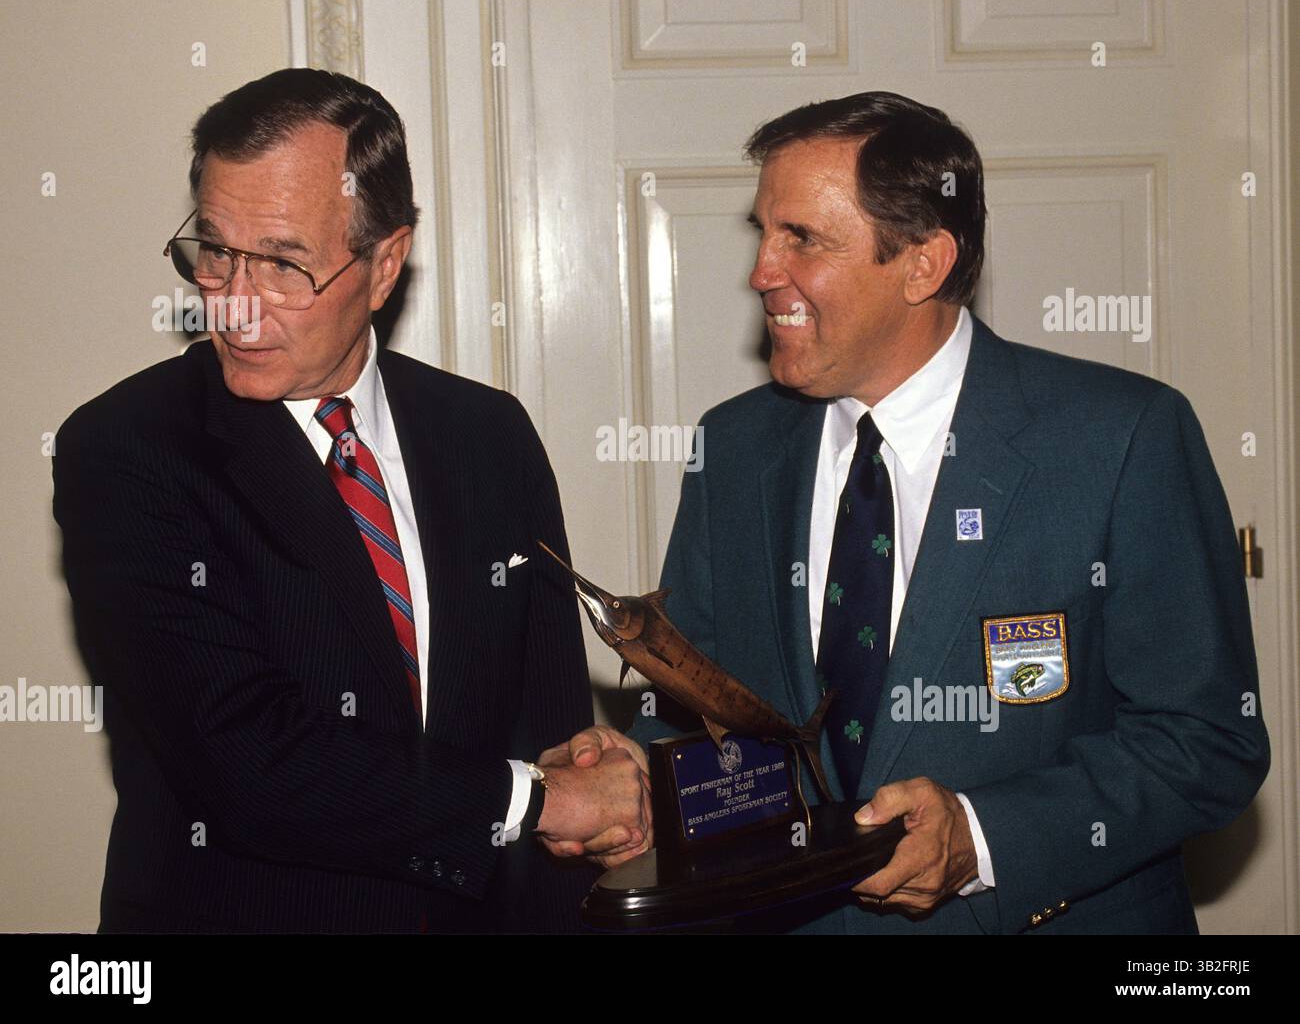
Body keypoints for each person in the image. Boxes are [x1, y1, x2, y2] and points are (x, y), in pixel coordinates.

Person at [568, 91, 1269, 933]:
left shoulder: (1119, 439)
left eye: (802, 238)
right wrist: (638, 774)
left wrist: (980, 837)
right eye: (763, 231)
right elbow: (704, 697)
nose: (761, 271)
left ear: (923, 264)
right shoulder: (736, 449)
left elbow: (1208, 743)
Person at [52, 68, 647, 933]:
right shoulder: (128, 449)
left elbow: (545, 726)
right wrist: (544, 798)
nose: (236, 308)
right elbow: (247, 763)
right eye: (214, 251)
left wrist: (589, 790)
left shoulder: (489, 434)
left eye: (286, 265)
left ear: (384, 264)